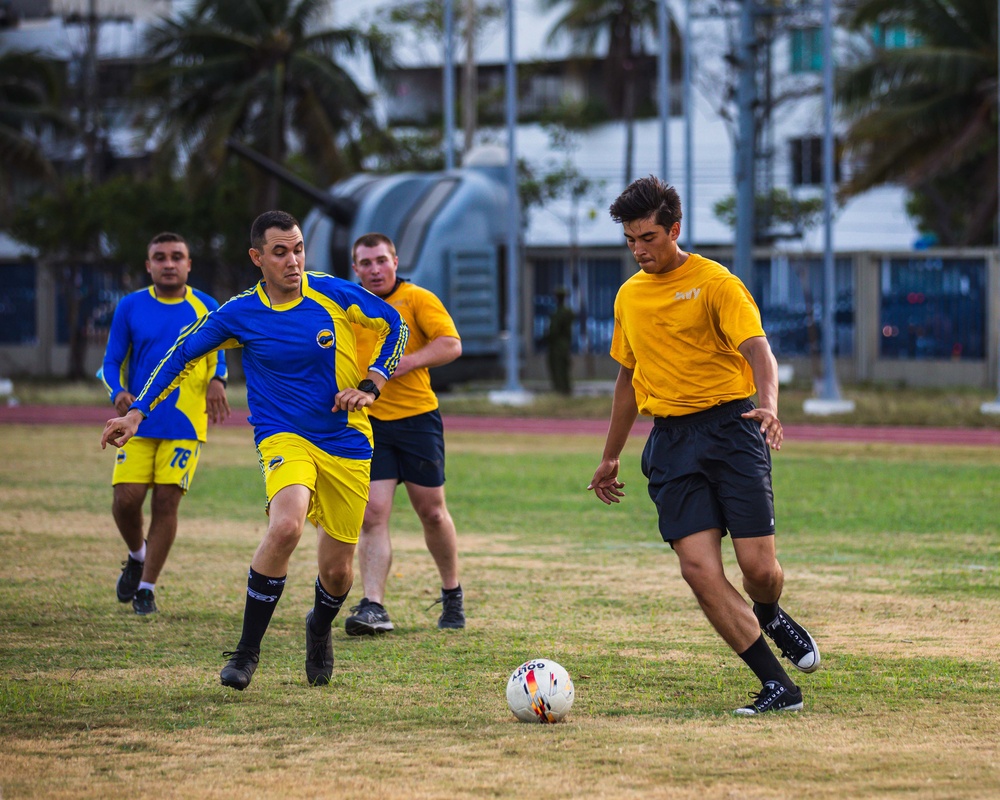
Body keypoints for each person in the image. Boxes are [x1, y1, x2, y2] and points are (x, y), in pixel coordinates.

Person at [101, 211, 408, 690]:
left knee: (337, 570)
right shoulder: (239, 312)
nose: (294, 260)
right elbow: (183, 354)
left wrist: (373, 381)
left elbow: (395, 325)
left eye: (299, 248)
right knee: (285, 525)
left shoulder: (332, 292)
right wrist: (137, 411)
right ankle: (246, 653)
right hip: (282, 433)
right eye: (281, 252)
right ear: (257, 258)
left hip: (347, 440)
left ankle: (319, 627)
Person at [588, 176, 820, 716]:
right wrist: (610, 453)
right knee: (698, 569)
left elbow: (761, 352)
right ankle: (778, 686)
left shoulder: (717, 283)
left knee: (758, 570)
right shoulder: (629, 296)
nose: (639, 250)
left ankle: (770, 611)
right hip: (671, 441)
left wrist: (770, 405)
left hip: (733, 429)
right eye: (630, 240)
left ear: (674, 229)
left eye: (648, 237)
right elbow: (627, 381)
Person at [99, 232, 230, 616]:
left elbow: (218, 355)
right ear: (148, 265)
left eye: (177, 257)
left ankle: (146, 588)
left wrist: (218, 381)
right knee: (126, 500)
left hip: (186, 422)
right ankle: (136, 554)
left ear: (189, 264)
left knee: (166, 501)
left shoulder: (207, 305)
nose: (169, 263)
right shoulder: (130, 306)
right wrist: (118, 393)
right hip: (137, 422)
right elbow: (110, 362)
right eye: (160, 257)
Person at [344, 233, 465, 635]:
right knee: (372, 513)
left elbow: (450, 345)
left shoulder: (417, 299)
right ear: (355, 268)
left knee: (431, 512)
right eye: (366, 263)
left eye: (381, 260)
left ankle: (452, 593)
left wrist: (403, 361)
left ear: (395, 261)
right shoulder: (347, 304)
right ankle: (373, 605)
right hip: (368, 422)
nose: (374, 269)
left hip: (417, 419)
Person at [545, 287, 575, 395]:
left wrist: (545, 338)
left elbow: (554, 330)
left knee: (558, 368)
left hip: (557, 345)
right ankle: (565, 389)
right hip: (564, 344)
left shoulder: (559, 313)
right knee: (563, 368)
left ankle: (561, 389)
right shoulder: (567, 312)